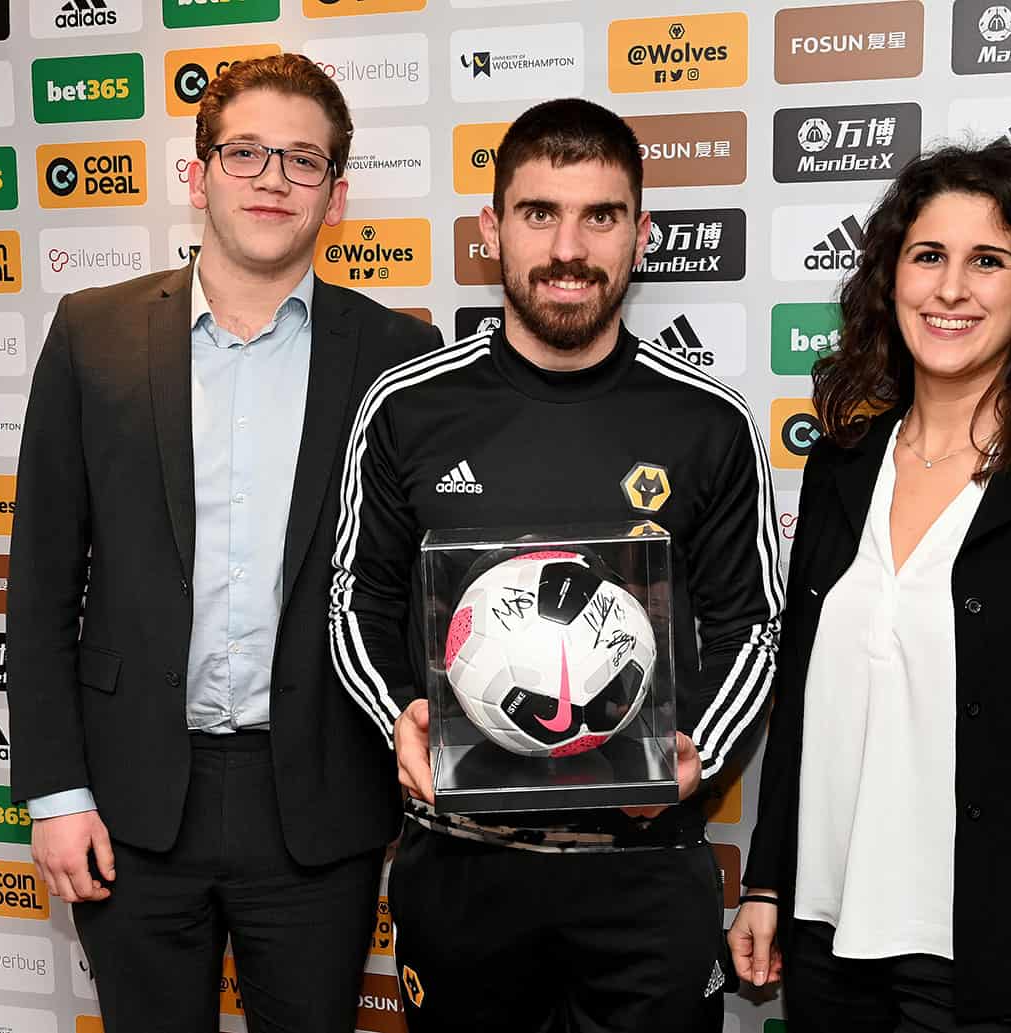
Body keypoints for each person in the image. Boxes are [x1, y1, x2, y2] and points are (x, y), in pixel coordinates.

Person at [6, 54, 441, 1033]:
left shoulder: (400, 359)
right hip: (127, 802)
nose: (273, 178)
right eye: (245, 153)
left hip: (319, 804)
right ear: (197, 176)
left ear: (335, 192)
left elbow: (416, 592)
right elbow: (39, 585)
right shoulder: (91, 335)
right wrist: (53, 794)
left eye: (302, 159)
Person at [328, 97, 782, 1033]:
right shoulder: (408, 407)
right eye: (539, 213)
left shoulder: (710, 422)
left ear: (640, 234)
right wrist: (401, 719)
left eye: (600, 216)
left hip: (645, 878)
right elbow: (354, 600)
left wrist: (695, 752)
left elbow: (754, 623)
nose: (568, 247)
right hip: (461, 872)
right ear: (493, 228)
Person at [727, 141, 1011, 1033]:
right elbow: (805, 692)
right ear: (892, 277)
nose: (952, 289)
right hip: (827, 933)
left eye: (989, 261)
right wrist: (768, 877)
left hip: (989, 957)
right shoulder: (844, 465)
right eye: (928, 256)